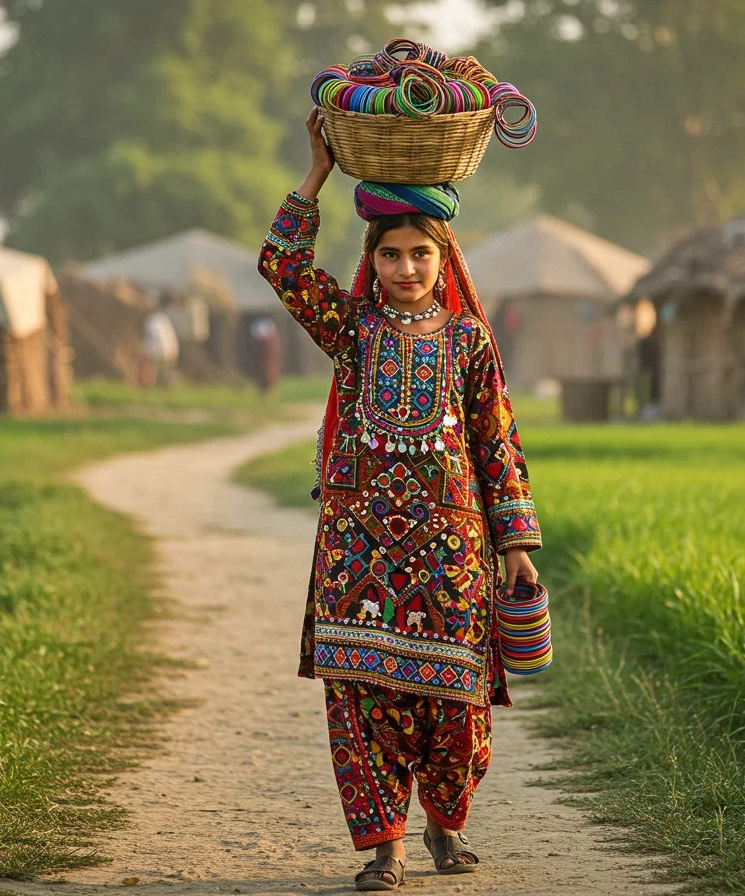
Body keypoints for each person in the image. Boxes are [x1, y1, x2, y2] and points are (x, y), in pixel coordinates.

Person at [257, 108, 543, 891]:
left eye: (420, 254)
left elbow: (497, 441)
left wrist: (516, 544)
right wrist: (316, 170)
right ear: (373, 258)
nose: (406, 268)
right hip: (360, 557)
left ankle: (446, 824)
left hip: (454, 557)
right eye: (392, 254)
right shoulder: (350, 330)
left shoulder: (468, 342)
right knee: (364, 704)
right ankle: (386, 849)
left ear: (442, 258)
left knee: (458, 706)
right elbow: (282, 266)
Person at [249, 316, 282, 394]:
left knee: (269, 370)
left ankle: (268, 389)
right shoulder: (262, 341)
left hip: (268, 361)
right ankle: (264, 390)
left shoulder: (272, 341)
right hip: (262, 360)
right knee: (264, 371)